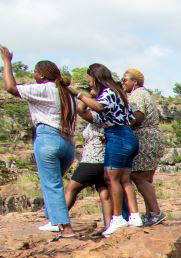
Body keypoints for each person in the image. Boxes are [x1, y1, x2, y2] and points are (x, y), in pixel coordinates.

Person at [0, 46, 77, 237]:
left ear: (42, 75)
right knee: (52, 182)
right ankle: (53, 220)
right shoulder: (68, 93)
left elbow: (10, 87)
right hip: (68, 143)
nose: (34, 75)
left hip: (48, 139)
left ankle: (65, 228)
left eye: (35, 72)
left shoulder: (44, 89)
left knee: (51, 184)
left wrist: (7, 62)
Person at [75, 63, 141, 237]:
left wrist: (78, 94)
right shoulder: (118, 93)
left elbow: (98, 107)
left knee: (111, 179)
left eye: (90, 79)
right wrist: (89, 95)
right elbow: (84, 111)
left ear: (95, 77)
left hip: (117, 136)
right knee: (125, 179)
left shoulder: (108, 93)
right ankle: (135, 216)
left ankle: (117, 218)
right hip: (127, 135)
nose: (89, 82)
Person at [122, 69, 165, 226]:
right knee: (146, 178)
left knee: (138, 176)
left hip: (145, 138)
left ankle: (156, 212)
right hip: (153, 137)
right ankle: (150, 214)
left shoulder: (137, 94)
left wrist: (125, 127)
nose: (123, 83)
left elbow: (139, 115)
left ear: (135, 81)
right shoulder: (145, 94)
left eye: (125, 80)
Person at [65, 113, 112, 232]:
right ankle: (109, 227)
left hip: (92, 160)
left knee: (71, 188)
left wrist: (82, 99)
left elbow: (80, 109)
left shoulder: (98, 115)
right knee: (104, 192)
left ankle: (59, 220)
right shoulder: (112, 116)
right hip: (105, 159)